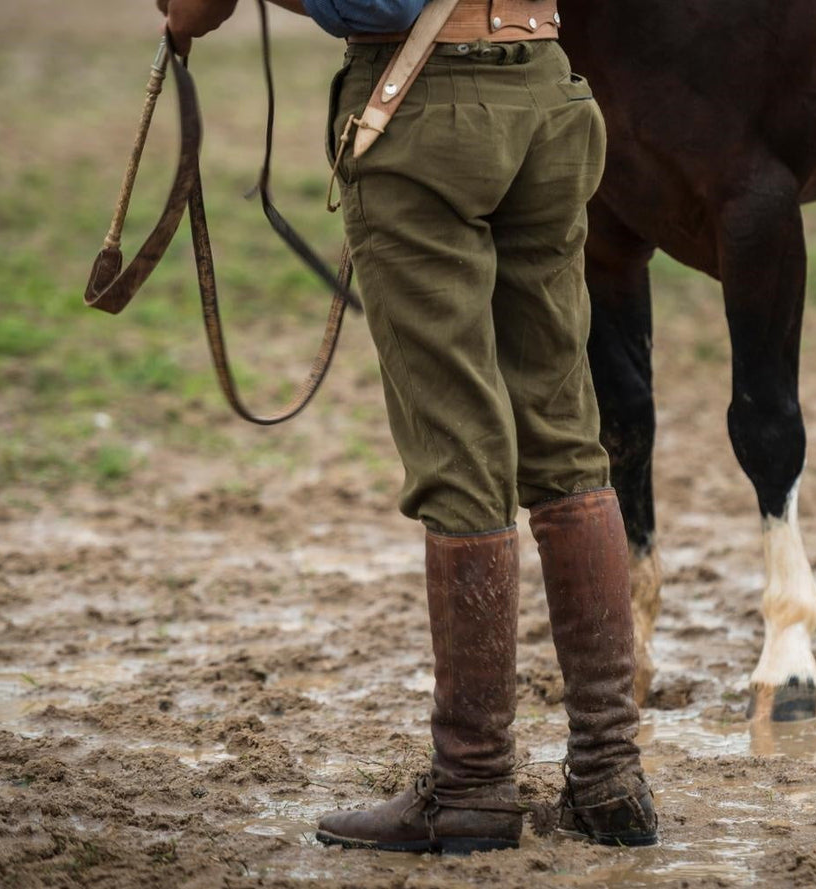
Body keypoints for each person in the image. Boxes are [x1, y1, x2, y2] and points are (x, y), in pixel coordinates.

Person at [158, 0, 658, 855]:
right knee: (567, 444)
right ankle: (610, 775)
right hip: (546, 90)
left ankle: (472, 783)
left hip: (429, 113)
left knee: (460, 454)